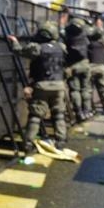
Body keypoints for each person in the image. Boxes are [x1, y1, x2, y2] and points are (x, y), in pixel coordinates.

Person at [8, 21, 68, 149]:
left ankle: (28, 142)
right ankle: (61, 140)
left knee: (36, 115)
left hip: (42, 85)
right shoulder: (61, 47)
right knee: (58, 114)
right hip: (59, 85)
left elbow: (19, 51)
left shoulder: (37, 48)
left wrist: (14, 41)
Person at [62, 15, 92, 122]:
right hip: (85, 63)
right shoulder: (85, 34)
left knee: (75, 90)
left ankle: (78, 112)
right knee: (85, 89)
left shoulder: (67, 35)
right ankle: (87, 111)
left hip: (72, 65)